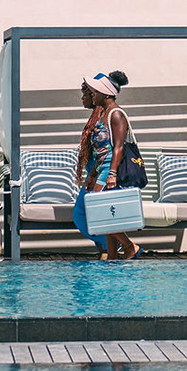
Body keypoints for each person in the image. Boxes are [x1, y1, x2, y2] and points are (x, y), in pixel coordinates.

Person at [73, 71, 138, 260]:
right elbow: (99, 151)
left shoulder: (116, 114)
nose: (93, 95)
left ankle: (129, 246)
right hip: (101, 168)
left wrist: (112, 174)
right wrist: (92, 174)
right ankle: (112, 256)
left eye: (96, 92)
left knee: (99, 212)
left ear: (106, 93)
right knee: (105, 214)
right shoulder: (104, 114)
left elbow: (118, 147)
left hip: (109, 169)